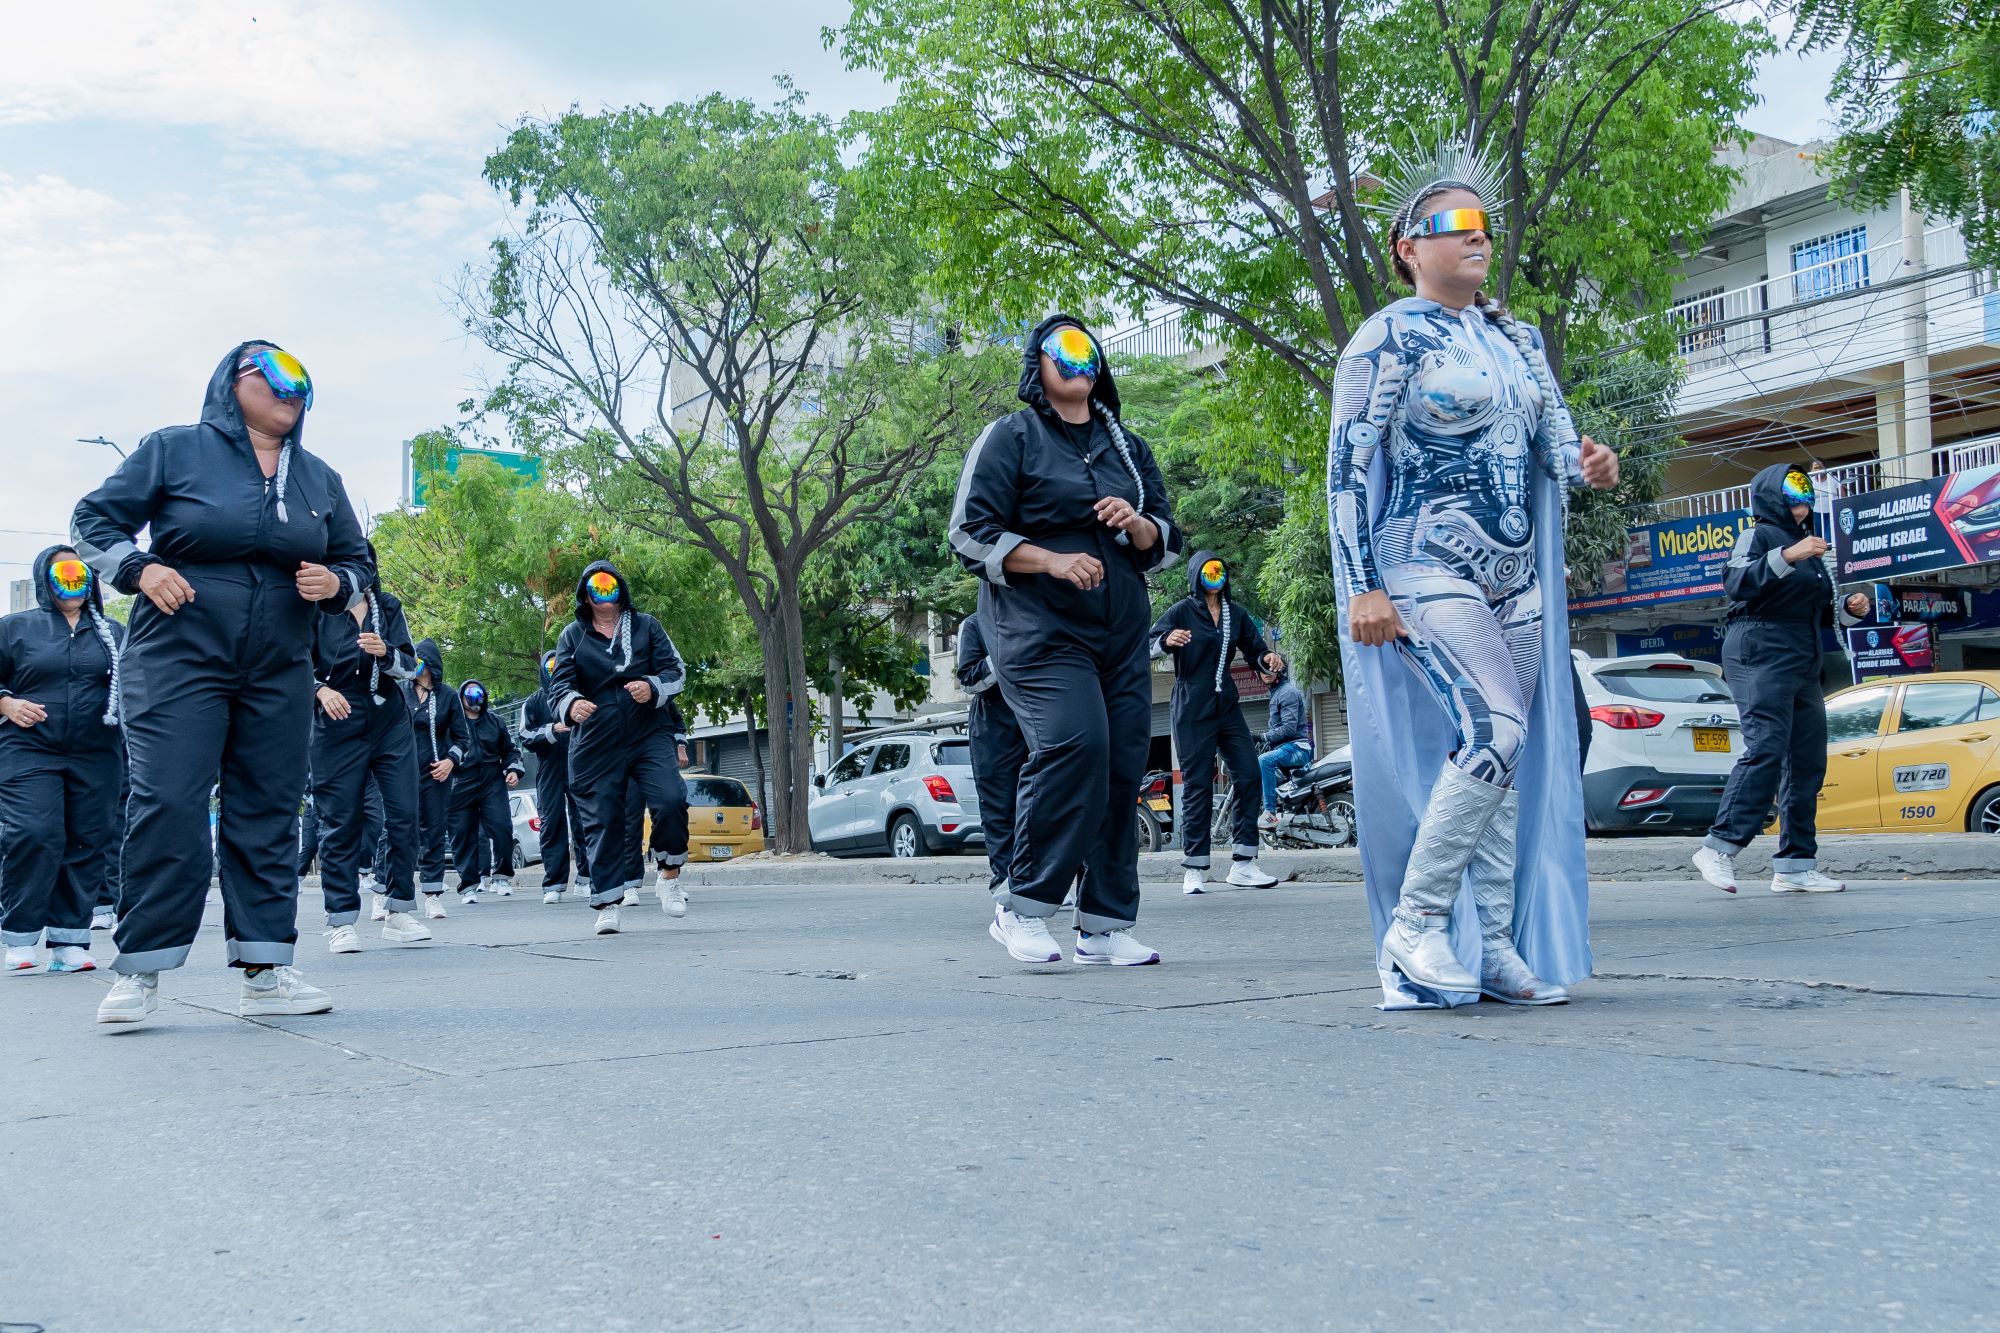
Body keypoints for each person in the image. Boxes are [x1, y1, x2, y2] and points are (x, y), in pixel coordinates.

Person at [1328, 147, 1620, 1008]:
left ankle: (1492, 942)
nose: (1475, 237)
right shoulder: (1386, 337)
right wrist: (1362, 586)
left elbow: (1560, 453)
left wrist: (1592, 463)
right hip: (1425, 561)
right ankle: (1413, 929)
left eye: (1483, 226)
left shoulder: (1518, 340)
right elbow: (1344, 472)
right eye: (1452, 226)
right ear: (1407, 248)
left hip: (1517, 577)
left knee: (1512, 755)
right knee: (1493, 727)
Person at [71, 340, 370, 1025]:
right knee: (168, 802)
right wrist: (137, 569)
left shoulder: (320, 479)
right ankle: (142, 970)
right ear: (234, 381)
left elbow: (358, 560)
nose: (291, 391)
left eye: (302, 383)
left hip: (277, 666)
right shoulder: (175, 450)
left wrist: (337, 583)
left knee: (267, 811)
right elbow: (93, 520)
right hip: (178, 658)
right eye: (275, 377)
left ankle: (265, 969)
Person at [949, 314, 1181, 966]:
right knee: (1075, 743)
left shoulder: (1127, 447)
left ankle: (1104, 923)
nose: (1078, 360)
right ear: (1038, 362)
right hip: (1037, 626)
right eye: (1063, 349)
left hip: (1121, 629)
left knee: (1119, 763)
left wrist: (1138, 526)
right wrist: (1049, 559)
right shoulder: (1010, 437)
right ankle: (1021, 904)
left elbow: (1168, 541)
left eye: (1088, 349)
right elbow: (968, 533)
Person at [1693, 464, 1849, 895]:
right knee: (1766, 745)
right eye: (1793, 501)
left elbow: (1820, 608)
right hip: (1759, 645)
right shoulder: (1760, 536)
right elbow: (1737, 581)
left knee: (1807, 761)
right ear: (1773, 500)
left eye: (1805, 502)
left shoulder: (1814, 550)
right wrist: (1788, 555)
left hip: (1802, 652)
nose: (1801, 510)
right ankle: (1718, 848)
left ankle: (1795, 865)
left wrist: (1851, 608)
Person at [0, 547, 127, 974]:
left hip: (98, 752)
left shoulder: (112, 631)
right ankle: (18, 936)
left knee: (87, 839)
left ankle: (69, 942)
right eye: (63, 572)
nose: (73, 581)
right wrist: (7, 704)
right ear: (45, 578)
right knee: (33, 833)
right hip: (29, 749)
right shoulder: (15, 628)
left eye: (80, 572)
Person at [549, 561, 691, 936]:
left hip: (648, 731)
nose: (604, 593)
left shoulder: (647, 626)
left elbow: (676, 672)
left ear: (621, 590)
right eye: (596, 587)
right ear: (586, 594)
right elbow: (558, 686)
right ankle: (608, 902)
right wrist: (572, 704)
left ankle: (669, 875)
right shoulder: (572, 636)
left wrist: (652, 687)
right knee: (604, 820)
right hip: (597, 741)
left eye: (610, 586)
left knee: (672, 799)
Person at [308, 553, 430, 953]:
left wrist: (386, 654)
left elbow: (413, 666)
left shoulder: (388, 606)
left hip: (388, 716)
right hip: (337, 716)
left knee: (404, 813)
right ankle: (341, 918)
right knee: (341, 819)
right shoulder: (312, 606)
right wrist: (320, 691)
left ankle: (398, 910)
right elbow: (290, 662)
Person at [1150, 551, 1283, 893]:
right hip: (1191, 704)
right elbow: (1147, 642)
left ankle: (1244, 863)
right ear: (1197, 575)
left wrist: (1267, 659)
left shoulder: (1235, 614)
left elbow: (1256, 650)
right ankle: (1194, 867)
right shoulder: (1181, 610)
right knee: (1197, 784)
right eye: (1209, 571)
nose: (1216, 575)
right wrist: (1166, 641)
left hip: (1227, 704)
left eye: (1220, 570)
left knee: (1250, 774)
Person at [955, 613, 1024, 906]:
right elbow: (969, 679)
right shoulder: (974, 624)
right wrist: (1003, 655)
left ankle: (1038, 879)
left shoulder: (1037, 615)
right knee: (999, 806)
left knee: (1039, 802)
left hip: (1035, 714)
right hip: (993, 723)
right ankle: (1006, 881)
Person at [521, 648, 591, 906]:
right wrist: (551, 730)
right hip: (548, 766)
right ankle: (554, 883)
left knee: (584, 821)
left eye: (557, 667)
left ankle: (586, 877)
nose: (553, 672)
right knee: (551, 824)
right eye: (549, 669)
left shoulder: (579, 697)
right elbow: (525, 736)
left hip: (579, 764)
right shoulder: (534, 701)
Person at [405, 638, 468, 916]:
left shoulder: (448, 696)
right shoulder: (400, 692)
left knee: (433, 831)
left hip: (435, 775)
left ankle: (432, 894)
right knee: (398, 831)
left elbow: (462, 738)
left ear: (430, 664)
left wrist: (449, 761)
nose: (414, 666)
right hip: (401, 773)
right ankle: (388, 891)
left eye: (419, 660)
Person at [449, 678, 521, 904]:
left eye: (478, 697)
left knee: (501, 826)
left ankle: (501, 877)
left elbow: (510, 751)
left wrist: (513, 770)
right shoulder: (453, 724)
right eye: (470, 697)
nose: (474, 702)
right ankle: (468, 885)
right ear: (461, 699)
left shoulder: (496, 722)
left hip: (492, 778)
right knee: (462, 832)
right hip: (461, 780)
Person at [1256, 654, 1311, 830]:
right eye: (1262, 670)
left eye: (1270, 669)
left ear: (1280, 670)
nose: (1266, 673)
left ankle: (1270, 812)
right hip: (1287, 747)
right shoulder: (1277, 693)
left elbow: (1289, 728)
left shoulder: (1286, 693)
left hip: (1297, 748)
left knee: (1265, 760)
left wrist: (1263, 736)